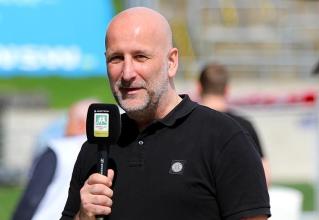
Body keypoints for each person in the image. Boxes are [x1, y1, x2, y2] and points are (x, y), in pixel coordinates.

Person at [61, 7, 270, 220]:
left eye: (140, 56)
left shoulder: (223, 137)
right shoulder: (96, 149)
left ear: (171, 62)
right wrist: (82, 216)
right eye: (116, 58)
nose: (127, 73)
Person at [12, 99, 97, 220]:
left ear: (81, 124)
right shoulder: (105, 152)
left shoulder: (58, 149)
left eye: (69, 120)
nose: (65, 126)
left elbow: (32, 197)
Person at [197, 62, 271, 186]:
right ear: (227, 89)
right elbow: (265, 175)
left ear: (199, 87)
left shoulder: (186, 123)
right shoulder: (244, 125)